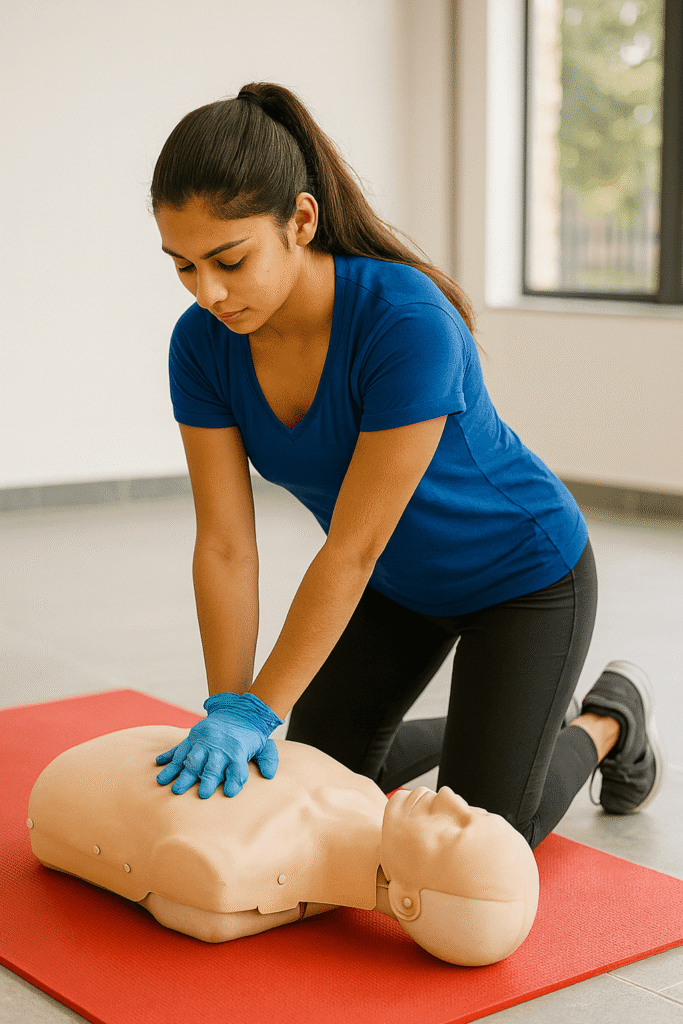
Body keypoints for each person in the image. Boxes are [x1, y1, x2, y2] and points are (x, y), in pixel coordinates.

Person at [150, 81, 666, 851]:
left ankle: (607, 719)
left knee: (488, 833)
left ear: (300, 219)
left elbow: (350, 549)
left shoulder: (405, 320)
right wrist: (229, 702)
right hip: (401, 586)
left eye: (228, 259)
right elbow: (225, 543)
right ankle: (500, 730)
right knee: (313, 775)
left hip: (523, 579)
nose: (208, 292)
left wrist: (263, 708)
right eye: (183, 267)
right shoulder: (200, 347)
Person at [27, 725, 540, 966]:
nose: (450, 797)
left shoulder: (234, 865)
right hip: (98, 765)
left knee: (518, 783)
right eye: (476, 810)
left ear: (408, 900)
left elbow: (209, 909)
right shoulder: (361, 794)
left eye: (453, 831)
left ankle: (598, 725)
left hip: (73, 783)